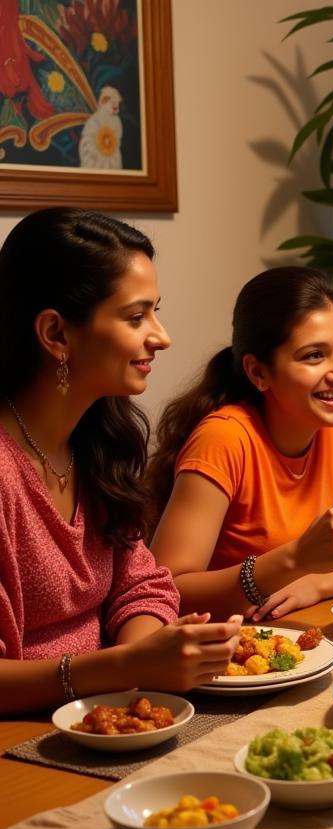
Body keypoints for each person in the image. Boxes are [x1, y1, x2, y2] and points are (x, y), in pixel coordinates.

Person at [0, 209, 241, 715]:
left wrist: (150, 654)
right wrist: (128, 666)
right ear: (56, 334)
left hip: (113, 710)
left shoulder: (98, 436)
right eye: (136, 317)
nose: (161, 336)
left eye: (155, 311)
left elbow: (142, 583)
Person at [148, 266, 333, 621]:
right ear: (259, 372)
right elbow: (164, 594)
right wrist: (295, 561)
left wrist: (322, 582)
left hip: (311, 631)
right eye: (314, 356)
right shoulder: (224, 437)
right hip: (233, 653)